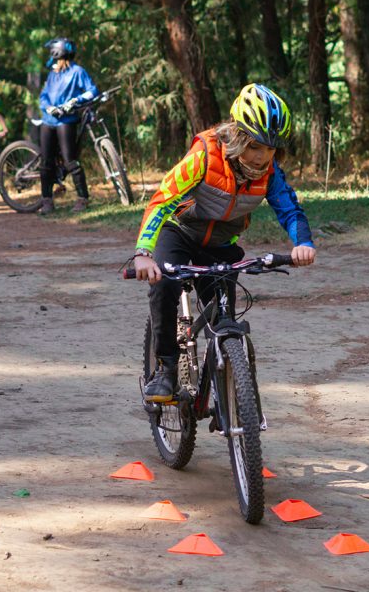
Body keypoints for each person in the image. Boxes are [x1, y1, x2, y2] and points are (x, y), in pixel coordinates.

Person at [133, 83, 316, 403]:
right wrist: (144, 253)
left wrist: (302, 242)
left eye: (272, 149)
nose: (263, 157)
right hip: (179, 233)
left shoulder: (269, 172)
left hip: (220, 244)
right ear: (240, 135)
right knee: (163, 286)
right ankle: (165, 367)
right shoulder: (205, 154)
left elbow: (289, 209)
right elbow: (162, 201)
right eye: (256, 146)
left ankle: (227, 384)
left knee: (222, 318)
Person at [38, 37, 99, 214]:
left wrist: (75, 101)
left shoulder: (77, 72)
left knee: (70, 160)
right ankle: (47, 201)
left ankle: (82, 198)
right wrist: (48, 107)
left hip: (66, 121)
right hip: (48, 121)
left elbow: (92, 90)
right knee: (46, 162)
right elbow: (43, 96)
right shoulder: (52, 74)